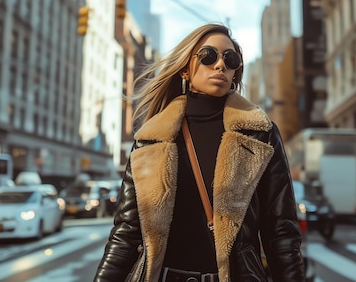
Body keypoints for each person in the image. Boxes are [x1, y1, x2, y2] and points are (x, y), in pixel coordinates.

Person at [93, 24, 305, 282]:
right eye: (208, 55)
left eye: (231, 58)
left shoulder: (260, 133)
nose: (220, 65)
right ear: (185, 67)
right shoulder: (150, 140)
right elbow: (126, 233)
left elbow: (280, 232)